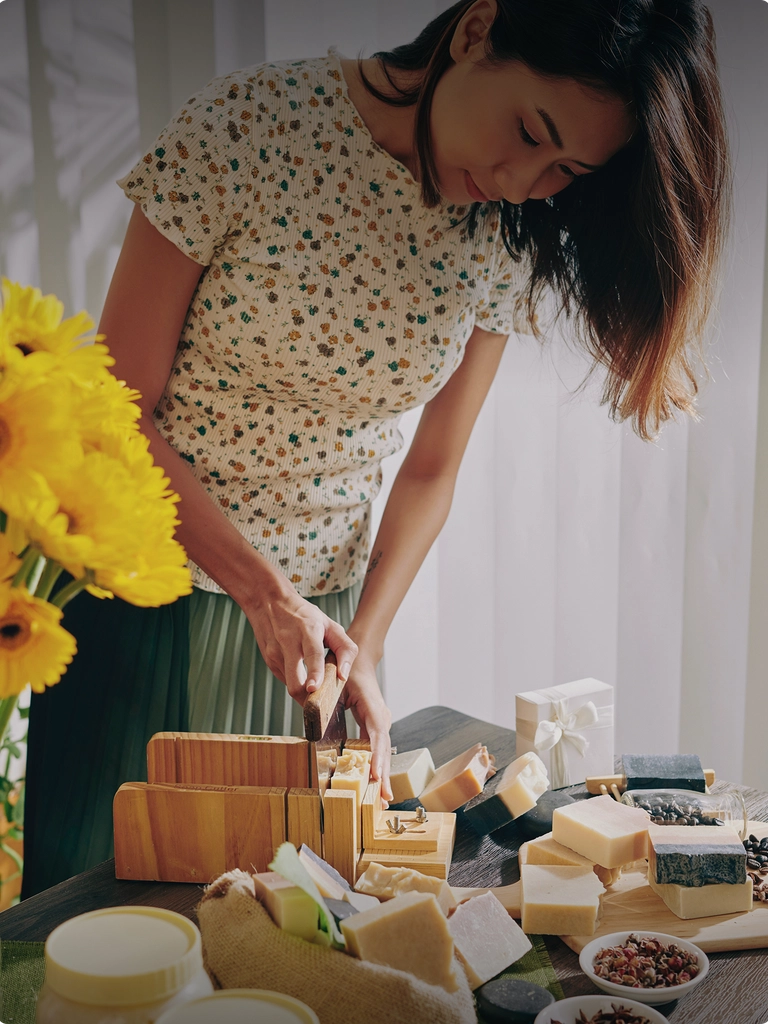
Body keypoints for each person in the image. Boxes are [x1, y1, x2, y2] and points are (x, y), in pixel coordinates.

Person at [22, 0, 729, 897]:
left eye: (564, 169)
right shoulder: (246, 128)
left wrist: (362, 639)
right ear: (477, 29)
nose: (521, 181)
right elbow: (114, 407)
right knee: (93, 917)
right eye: (527, 132)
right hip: (143, 592)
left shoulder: (501, 240)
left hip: (324, 625)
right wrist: (263, 592)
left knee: (282, 921)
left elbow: (432, 468)